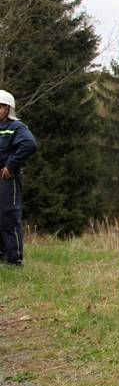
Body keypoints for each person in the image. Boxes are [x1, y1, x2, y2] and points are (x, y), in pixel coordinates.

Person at [0, 90, 36, 266]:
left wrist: (10, 165)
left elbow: (29, 144)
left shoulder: (16, 127)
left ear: (8, 108)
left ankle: (14, 259)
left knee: (9, 217)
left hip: (8, 179)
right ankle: (2, 254)